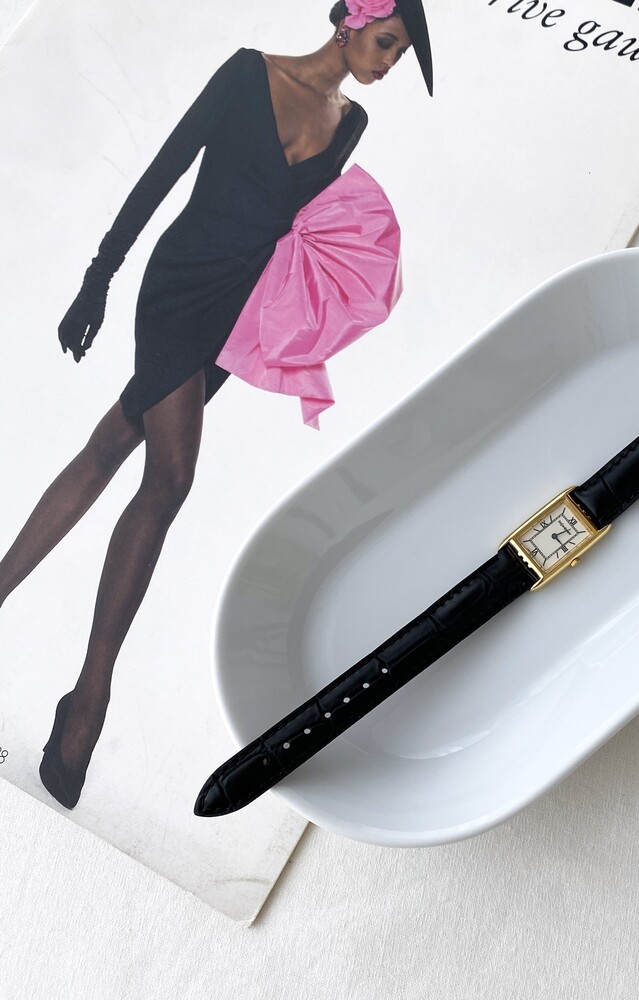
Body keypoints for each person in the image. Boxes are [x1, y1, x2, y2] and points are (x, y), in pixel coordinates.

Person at [0, 0, 433, 810]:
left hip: (234, 317)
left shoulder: (352, 124)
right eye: (386, 42)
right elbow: (163, 172)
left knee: (111, 446)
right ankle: (89, 701)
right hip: (178, 288)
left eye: (400, 53)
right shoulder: (246, 74)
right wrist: (99, 278)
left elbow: (297, 232)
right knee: (170, 479)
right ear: (350, 19)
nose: (388, 62)